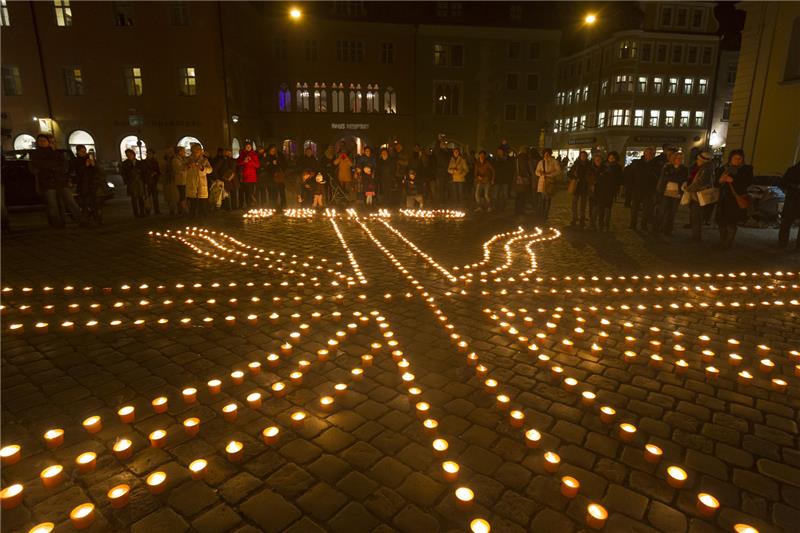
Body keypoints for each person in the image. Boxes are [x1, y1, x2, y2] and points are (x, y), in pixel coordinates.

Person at [715, 149, 753, 249]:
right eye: (735, 158)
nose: (737, 160)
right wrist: (720, 180)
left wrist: (733, 180)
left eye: (740, 158)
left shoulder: (746, 169)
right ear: (730, 159)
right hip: (723, 199)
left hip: (735, 199)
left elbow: (747, 183)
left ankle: (728, 244)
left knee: (731, 222)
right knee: (721, 222)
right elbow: (716, 183)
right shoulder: (724, 169)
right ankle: (722, 241)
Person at [684, 151, 716, 242]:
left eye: (698, 159)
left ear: (703, 160)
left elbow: (700, 182)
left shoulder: (706, 169)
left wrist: (689, 189)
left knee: (696, 216)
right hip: (697, 195)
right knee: (695, 216)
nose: (697, 160)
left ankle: (696, 237)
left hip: (699, 196)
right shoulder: (703, 167)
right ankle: (695, 236)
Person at [654, 152, 688, 235]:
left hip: (677, 193)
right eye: (678, 158)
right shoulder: (667, 167)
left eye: (681, 158)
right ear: (674, 159)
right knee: (662, 211)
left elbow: (683, 178)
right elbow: (665, 177)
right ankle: (657, 228)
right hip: (666, 192)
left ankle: (668, 229)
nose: (679, 160)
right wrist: (675, 178)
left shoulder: (684, 168)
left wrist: (672, 178)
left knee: (672, 213)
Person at [629, 147, 660, 231]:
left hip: (649, 191)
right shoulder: (637, 163)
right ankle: (633, 224)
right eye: (648, 153)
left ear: (653, 155)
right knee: (634, 208)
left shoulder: (656, 165)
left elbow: (658, 178)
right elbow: (631, 175)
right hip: (637, 189)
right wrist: (631, 187)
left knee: (647, 209)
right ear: (644, 154)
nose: (649, 155)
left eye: (651, 154)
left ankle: (644, 224)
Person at [70, 145, 103, 225]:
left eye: (85, 151)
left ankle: (97, 220)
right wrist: (85, 166)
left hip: (93, 185)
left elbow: (99, 171)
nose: (84, 153)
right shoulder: (75, 161)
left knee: (95, 203)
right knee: (85, 204)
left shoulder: (90, 158)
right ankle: (86, 220)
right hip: (83, 186)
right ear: (77, 152)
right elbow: (77, 174)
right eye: (82, 151)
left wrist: (93, 164)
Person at [593, 151, 622, 230]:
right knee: (601, 207)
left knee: (608, 207)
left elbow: (619, 179)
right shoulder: (603, 165)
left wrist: (616, 189)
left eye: (613, 157)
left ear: (616, 158)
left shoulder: (618, 167)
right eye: (610, 157)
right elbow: (597, 176)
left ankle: (606, 223)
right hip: (601, 189)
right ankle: (600, 223)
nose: (611, 158)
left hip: (610, 190)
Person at [184, 143, 212, 217]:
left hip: (201, 183)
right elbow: (182, 169)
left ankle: (204, 215)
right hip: (192, 182)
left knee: (203, 201)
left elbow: (210, 170)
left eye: (198, 149)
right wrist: (188, 166)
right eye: (194, 149)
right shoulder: (188, 159)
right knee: (192, 201)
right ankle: (192, 215)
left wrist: (203, 168)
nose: (196, 151)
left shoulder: (204, 160)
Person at [778, 161, 800, 249]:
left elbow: (783, 184)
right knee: (786, 222)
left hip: (792, 199)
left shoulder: (792, 170)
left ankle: (783, 244)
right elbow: (783, 183)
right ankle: (784, 244)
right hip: (793, 199)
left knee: (786, 222)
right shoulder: (792, 170)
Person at [535, 148, 561, 219]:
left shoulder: (554, 161)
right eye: (545, 154)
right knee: (542, 199)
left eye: (547, 154)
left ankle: (546, 213)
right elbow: (536, 171)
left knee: (548, 199)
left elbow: (558, 171)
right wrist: (540, 173)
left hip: (550, 182)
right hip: (542, 182)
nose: (546, 155)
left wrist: (550, 174)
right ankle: (542, 213)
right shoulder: (541, 162)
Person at [568, 151, 592, 226]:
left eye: (584, 155)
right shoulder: (576, 164)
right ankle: (574, 217)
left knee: (583, 204)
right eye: (582, 155)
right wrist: (574, 177)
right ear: (580, 156)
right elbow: (569, 173)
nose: (583, 157)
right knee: (575, 203)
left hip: (585, 186)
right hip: (577, 186)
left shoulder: (589, 165)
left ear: (586, 156)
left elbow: (591, 175)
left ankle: (582, 218)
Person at [120, 149, 146, 217]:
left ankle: (142, 212)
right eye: (127, 155)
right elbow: (123, 173)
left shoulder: (139, 162)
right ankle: (136, 213)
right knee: (134, 199)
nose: (129, 156)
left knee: (141, 197)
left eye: (130, 155)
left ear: (133, 154)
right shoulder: (125, 163)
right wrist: (127, 180)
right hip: (131, 182)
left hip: (139, 182)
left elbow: (143, 172)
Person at [237, 142, 260, 209]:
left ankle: (250, 204)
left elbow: (257, 165)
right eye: (247, 147)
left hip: (252, 177)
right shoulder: (242, 154)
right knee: (244, 191)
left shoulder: (254, 155)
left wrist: (251, 161)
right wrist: (244, 161)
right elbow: (238, 163)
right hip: (244, 176)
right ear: (245, 147)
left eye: (249, 146)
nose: (248, 148)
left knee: (250, 192)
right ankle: (243, 204)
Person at [265, 145, 287, 210]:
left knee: (281, 190)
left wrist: (278, 162)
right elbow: (266, 167)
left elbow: (285, 164)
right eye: (272, 150)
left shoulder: (280, 155)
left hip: (279, 176)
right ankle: (274, 205)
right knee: (273, 191)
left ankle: (283, 204)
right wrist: (271, 164)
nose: (273, 151)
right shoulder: (267, 157)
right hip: (271, 176)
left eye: (274, 150)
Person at [514, 147, 533, 217]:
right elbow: (527, 169)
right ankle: (521, 210)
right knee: (522, 195)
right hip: (524, 179)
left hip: (517, 179)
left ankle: (517, 210)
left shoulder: (517, 158)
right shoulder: (525, 158)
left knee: (518, 196)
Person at [141, 151, 161, 215]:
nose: (150, 155)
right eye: (149, 154)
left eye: (151, 154)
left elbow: (158, 171)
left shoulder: (155, 162)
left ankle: (157, 210)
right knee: (147, 197)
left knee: (155, 197)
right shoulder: (144, 162)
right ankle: (148, 210)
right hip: (147, 181)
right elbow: (143, 172)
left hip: (154, 181)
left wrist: (155, 173)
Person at [171, 146, 188, 215]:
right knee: (182, 196)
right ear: (180, 152)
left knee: (183, 195)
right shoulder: (175, 160)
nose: (185, 152)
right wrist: (188, 166)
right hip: (180, 181)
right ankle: (182, 210)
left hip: (184, 180)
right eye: (183, 151)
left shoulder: (182, 159)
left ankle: (183, 210)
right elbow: (179, 168)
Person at [433, 140, 451, 205]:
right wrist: (439, 140)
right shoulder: (439, 151)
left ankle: (446, 202)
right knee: (441, 189)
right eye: (443, 144)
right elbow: (436, 149)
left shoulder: (449, 152)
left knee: (447, 189)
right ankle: (441, 202)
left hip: (447, 173)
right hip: (440, 173)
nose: (444, 145)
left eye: (446, 143)